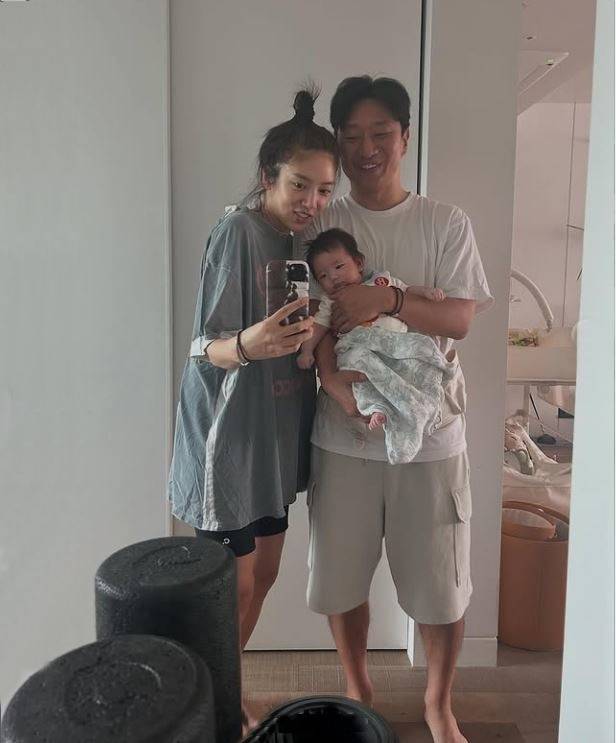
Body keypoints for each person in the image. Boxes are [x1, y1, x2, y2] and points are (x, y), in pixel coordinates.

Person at [300, 76, 493, 743]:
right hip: (344, 438)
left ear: (405, 137)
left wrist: (389, 301)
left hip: (432, 437)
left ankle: (440, 704)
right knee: (342, 579)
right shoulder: (323, 223)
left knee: (441, 586)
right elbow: (309, 318)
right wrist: (330, 377)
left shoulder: (444, 222)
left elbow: (460, 318)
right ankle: (359, 690)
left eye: (380, 133)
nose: (366, 148)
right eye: (352, 136)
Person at [167, 87, 338, 734]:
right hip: (229, 442)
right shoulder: (237, 231)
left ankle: (223, 689)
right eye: (300, 185)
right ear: (269, 175)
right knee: (231, 589)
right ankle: (203, 706)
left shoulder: (301, 242)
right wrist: (250, 344)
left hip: (276, 438)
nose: (312, 201)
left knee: (263, 575)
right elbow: (202, 347)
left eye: (324, 190)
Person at [298, 228, 453, 464]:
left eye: (338, 267)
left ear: (359, 263)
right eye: (324, 276)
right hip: (359, 347)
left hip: (395, 344)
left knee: (422, 348)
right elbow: (318, 327)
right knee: (359, 371)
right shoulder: (331, 302)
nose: (334, 277)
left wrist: (427, 292)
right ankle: (376, 408)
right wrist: (307, 351)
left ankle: (428, 393)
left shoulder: (380, 282)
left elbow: (406, 290)